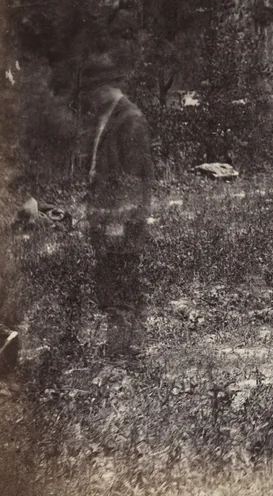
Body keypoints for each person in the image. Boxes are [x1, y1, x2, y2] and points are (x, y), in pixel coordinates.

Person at [80, 54, 155, 362]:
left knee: (124, 281)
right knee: (110, 282)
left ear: (104, 88)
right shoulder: (108, 117)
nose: (89, 98)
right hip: (107, 216)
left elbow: (133, 178)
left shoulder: (130, 119)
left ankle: (130, 347)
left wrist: (117, 222)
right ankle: (120, 345)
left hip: (123, 219)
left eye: (92, 90)